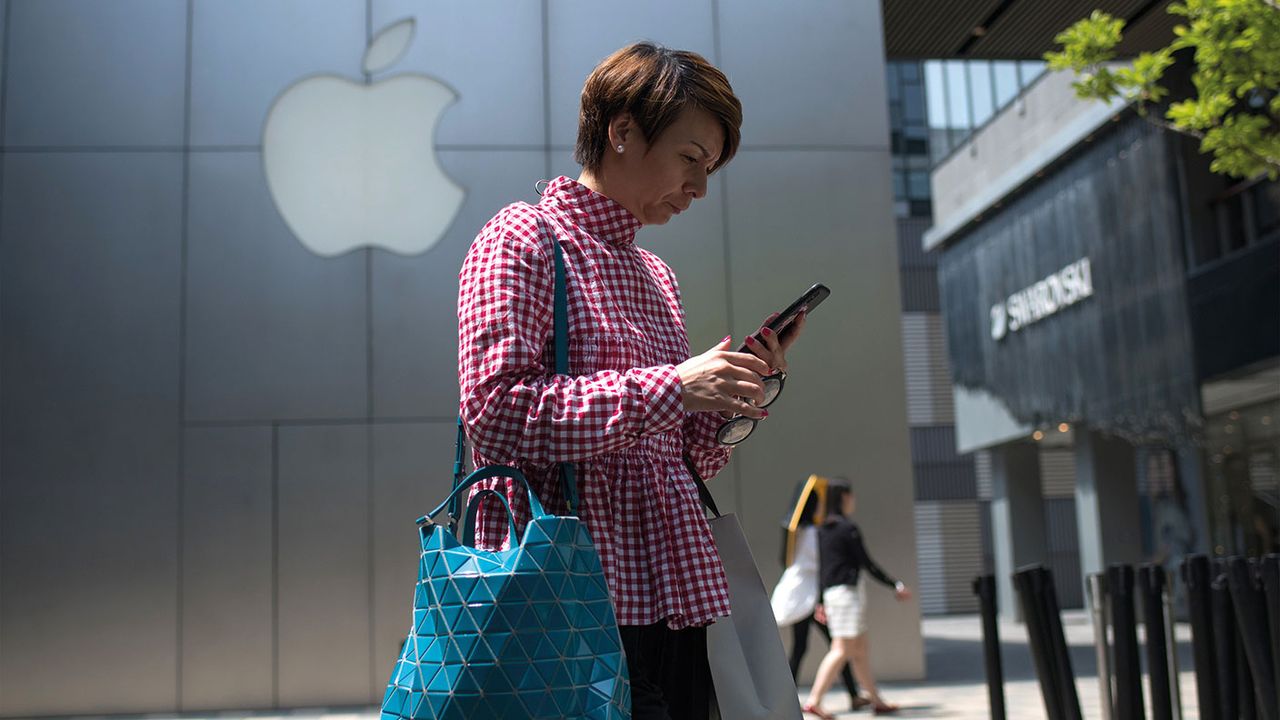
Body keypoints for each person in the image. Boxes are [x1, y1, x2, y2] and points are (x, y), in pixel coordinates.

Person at [457, 42, 807, 720]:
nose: (700, 187)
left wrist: (740, 390)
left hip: (678, 599)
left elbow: (684, 458)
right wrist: (674, 388)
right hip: (565, 601)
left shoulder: (657, 277)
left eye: (709, 168)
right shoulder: (521, 238)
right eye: (690, 159)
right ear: (622, 131)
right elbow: (494, 412)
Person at [803, 480, 912, 719]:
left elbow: (824, 568)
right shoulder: (847, 528)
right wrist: (895, 584)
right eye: (852, 496)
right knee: (841, 649)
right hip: (846, 596)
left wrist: (821, 600)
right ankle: (814, 701)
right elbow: (867, 562)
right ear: (844, 497)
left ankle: (875, 700)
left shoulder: (823, 530)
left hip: (834, 596)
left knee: (860, 649)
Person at [770, 475, 869, 712]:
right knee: (837, 646)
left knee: (810, 647)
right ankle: (850, 695)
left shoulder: (799, 532)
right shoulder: (815, 533)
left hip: (801, 597)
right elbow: (820, 567)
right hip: (812, 598)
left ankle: (791, 697)